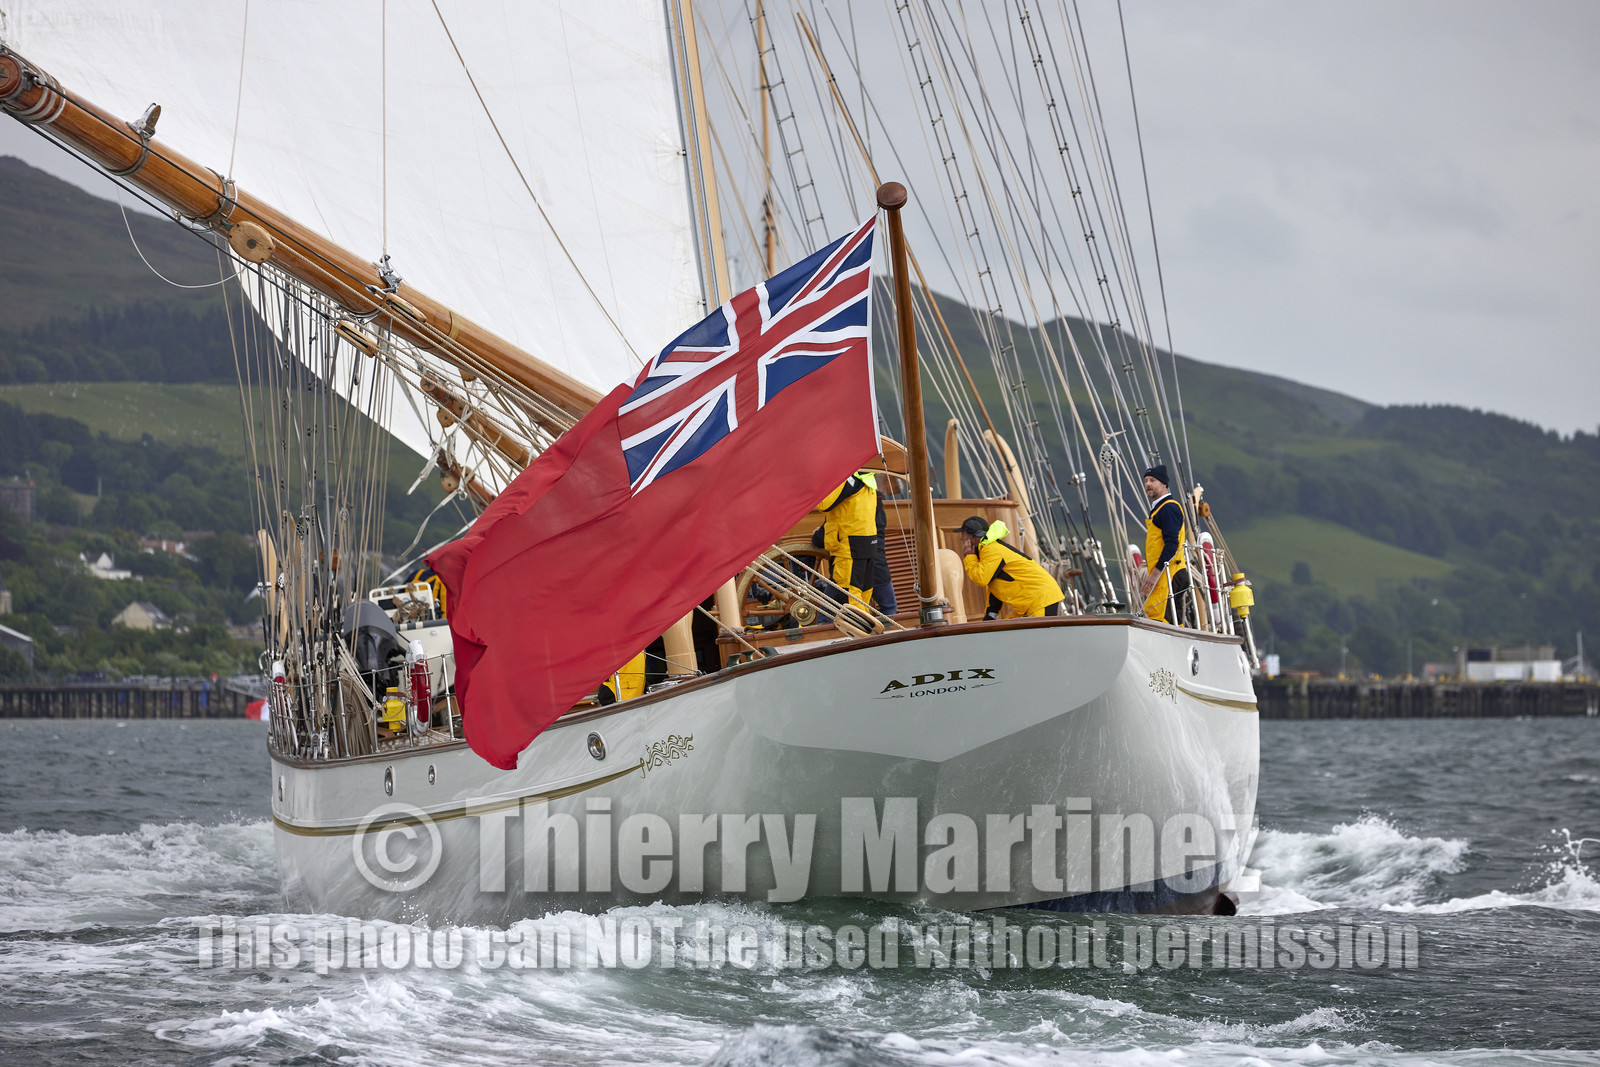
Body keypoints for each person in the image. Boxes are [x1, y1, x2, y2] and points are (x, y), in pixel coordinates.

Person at [956, 515, 1065, 619]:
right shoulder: (988, 549)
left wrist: (970, 557)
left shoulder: (991, 550)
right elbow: (995, 583)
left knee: (1037, 637)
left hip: (1040, 599)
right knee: (1010, 627)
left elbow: (981, 579)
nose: (962, 540)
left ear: (972, 537)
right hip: (1031, 601)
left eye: (964, 536)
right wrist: (991, 613)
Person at [814, 470, 885, 612]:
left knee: (849, 598)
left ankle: (860, 632)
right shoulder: (868, 479)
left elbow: (823, 504)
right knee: (863, 595)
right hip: (867, 542)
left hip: (849, 546)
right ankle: (866, 631)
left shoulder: (848, 479)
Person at [1139, 464, 1191, 626]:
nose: (1148, 484)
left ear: (1164, 484)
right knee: (1162, 617)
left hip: (1169, 574)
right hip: (1165, 575)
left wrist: (1155, 574)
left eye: (1153, 480)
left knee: (1162, 619)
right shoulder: (1159, 509)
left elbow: (1172, 544)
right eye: (1146, 480)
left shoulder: (1168, 508)